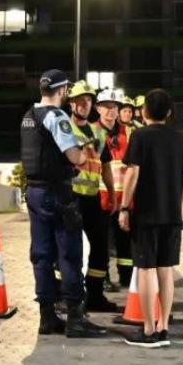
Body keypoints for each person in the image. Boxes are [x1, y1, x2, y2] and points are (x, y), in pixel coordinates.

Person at [21, 69, 107, 338]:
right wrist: (84, 152)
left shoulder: (28, 116)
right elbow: (74, 157)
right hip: (58, 193)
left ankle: (47, 317)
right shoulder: (56, 117)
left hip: (34, 192)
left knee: (42, 255)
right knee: (69, 253)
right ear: (61, 91)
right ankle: (75, 319)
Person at [119, 88, 183, 348]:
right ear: (169, 113)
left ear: (144, 111)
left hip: (147, 214)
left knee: (146, 269)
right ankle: (164, 327)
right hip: (172, 214)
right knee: (166, 270)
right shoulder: (179, 138)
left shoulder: (139, 136)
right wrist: (179, 207)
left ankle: (148, 329)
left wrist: (124, 207)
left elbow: (132, 173)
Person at [66, 80, 117, 312]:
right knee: (68, 248)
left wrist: (112, 193)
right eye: (80, 100)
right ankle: (64, 296)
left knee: (100, 248)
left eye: (88, 100)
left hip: (94, 197)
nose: (84, 104)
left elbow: (105, 165)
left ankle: (95, 295)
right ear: (71, 103)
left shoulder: (98, 132)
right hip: (71, 196)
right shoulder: (64, 129)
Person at [96, 89, 134, 288]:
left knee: (125, 241)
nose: (111, 111)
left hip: (125, 197)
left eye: (115, 107)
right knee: (101, 241)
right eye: (107, 107)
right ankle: (103, 279)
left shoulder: (128, 132)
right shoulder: (93, 131)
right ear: (99, 108)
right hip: (99, 197)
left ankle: (127, 278)